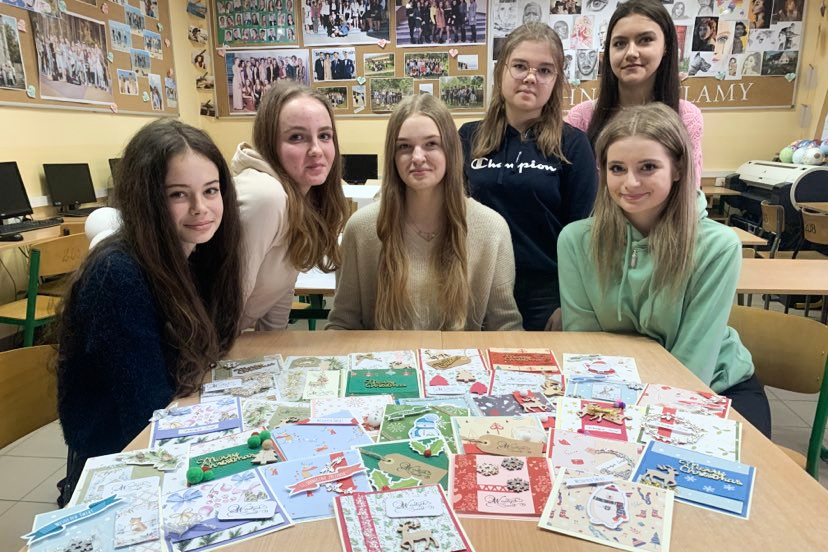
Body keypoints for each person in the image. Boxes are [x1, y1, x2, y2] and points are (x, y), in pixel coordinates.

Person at [56, 119, 243, 505]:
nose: (201, 208)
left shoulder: (196, 253)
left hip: (168, 427)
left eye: (210, 190)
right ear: (146, 199)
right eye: (178, 194)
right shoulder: (116, 274)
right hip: (122, 465)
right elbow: (145, 416)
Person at [557, 103, 771, 437]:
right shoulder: (575, 241)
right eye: (617, 168)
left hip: (713, 386)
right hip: (618, 392)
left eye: (648, 167)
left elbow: (693, 364)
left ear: (678, 168)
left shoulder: (718, 246)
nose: (630, 182)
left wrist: (641, 427)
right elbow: (588, 349)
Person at [327, 94, 522, 330]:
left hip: (459, 355)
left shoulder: (492, 229)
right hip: (384, 355)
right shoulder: (361, 229)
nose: (418, 157)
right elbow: (342, 324)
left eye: (431, 144)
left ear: (450, 150)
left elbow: (505, 327)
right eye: (404, 147)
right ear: (393, 156)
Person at [459, 22, 598, 331]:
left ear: (556, 80)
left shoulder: (573, 144)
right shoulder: (468, 137)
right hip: (475, 287)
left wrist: (570, 303)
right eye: (520, 66)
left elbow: (584, 234)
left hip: (545, 296)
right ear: (501, 71)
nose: (531, 77)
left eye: (545, 70)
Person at [231, 82, 348, 330]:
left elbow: (281, 288)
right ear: (269, 143)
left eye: (324, 136)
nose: (316, 150)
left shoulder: (302, 194)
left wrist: (275, 345)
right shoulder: (266, 196)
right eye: (297, 137)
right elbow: (224, 305)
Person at [566, 0, 704, 189]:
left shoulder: (686, 117)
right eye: (620, 43)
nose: (631, 53)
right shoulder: (582, 118)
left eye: (645, 40)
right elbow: (570, 192)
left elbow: (690, 194)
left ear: (666, 46)